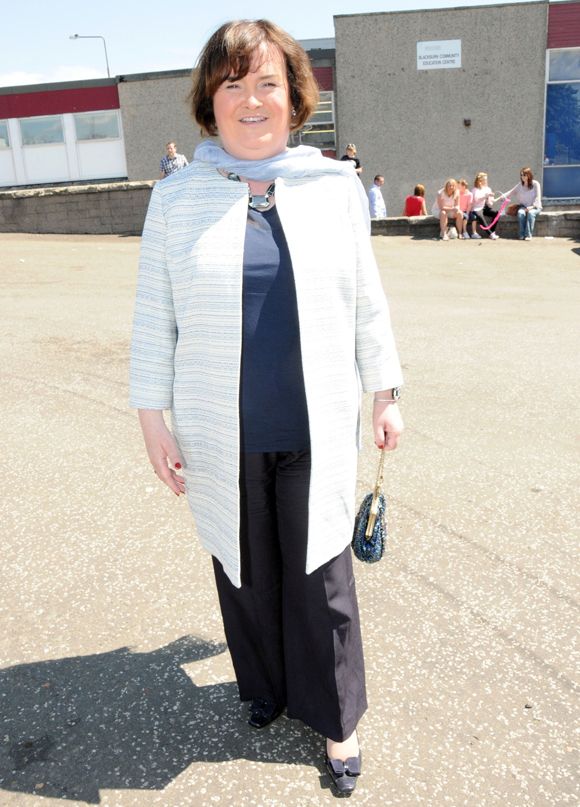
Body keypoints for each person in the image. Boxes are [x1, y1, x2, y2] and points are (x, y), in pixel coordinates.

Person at [130, 19, 404, 795]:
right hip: (223, 429)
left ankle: (338, 716)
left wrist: (386, 391)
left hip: (316, 425)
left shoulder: (333, 186)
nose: (251, 100)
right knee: (243, 565)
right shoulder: (177, 197)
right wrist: (152, 415)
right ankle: (267, 687)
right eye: (232, 84)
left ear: (294, 98)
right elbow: (156, 314)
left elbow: (368, 303)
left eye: (266, 84)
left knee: (321, 576)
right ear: (209, 102)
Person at [497, 167, 542, 240]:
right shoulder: (520, 185)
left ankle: (528, 235)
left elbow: (538, 197)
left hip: (535, 206)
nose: (522, 177)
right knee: (520, 213)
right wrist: (497, 199)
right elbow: (510, 193)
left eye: (524, 174)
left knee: (530, 214)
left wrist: (532, 206)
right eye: (521, 175)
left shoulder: (535, 184)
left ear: (529, 175)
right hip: (523, 206)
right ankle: (522, 234)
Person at [469, 172, 499, 239]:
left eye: (486, 180)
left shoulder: (487, 189)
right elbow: (478, 199)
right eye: (484, 180)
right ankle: (490, 234)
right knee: (480, 216)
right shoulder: (475, 189)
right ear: (479, 181)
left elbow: (490, 201)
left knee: (496, 213)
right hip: (477, 208)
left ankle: (492, 230)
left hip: (485, 207)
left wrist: (491, 202)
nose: (485, 181)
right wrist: (487, 195)